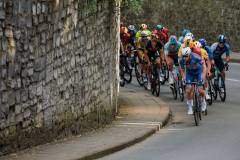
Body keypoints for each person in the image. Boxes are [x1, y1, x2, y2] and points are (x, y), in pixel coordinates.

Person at [179, 47, 206, 115]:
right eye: (183, 56)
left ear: (190, 55)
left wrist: (203, 76)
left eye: (186, 56)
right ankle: (190, 107)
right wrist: (183, 78)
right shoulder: (182, 60)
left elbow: (204, 67)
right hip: (190, 73)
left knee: (200, 90)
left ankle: (203, 102)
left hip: (198, 73)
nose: (185, 58)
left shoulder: (196, 57)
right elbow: (182, 70)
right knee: (188, 90)